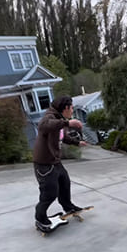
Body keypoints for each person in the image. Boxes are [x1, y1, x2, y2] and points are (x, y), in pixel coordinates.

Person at [33, 96, 87, 233]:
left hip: (55, 161)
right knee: (49, 193)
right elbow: (43, 126)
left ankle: (68, 206)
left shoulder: (59, 120)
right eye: (72, 108)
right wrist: (68, 123)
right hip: (44, 163)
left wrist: (76, 143)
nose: (73, 110)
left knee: (65, 183)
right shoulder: (49, 117)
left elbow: (63, 137)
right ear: (66, 108)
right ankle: (40, 217)